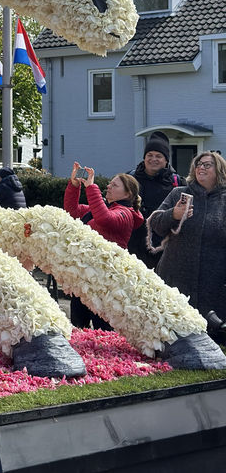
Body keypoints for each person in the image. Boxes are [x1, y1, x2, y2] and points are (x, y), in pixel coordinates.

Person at [148, 151, 226, 328]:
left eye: (207, 164)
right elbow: (156, 224)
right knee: (172, 334)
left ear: (219, 170)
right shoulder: (178, 194)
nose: (201, 168)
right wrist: (173, 215)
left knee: (212, 338)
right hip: (176, 278)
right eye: (198, 164)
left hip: (213, 283)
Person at [64, 161, 143, 329]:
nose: (109, 186)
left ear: (127, 194)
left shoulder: (126, 214)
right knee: (78, 326)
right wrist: (74, 185)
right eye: (109, 183)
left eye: (114, 185)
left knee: (104, 329)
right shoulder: (103, 208)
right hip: (85, 277)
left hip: (106, 284)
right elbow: (72, 211)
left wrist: (92, 188)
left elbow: (105, 219)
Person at [127, 131, 185, 267]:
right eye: (150, 155)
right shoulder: (130, 179)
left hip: (164, 249)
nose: (153, 159)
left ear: (166, 160)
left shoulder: (177, 183)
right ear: (144, 157)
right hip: (132, 246)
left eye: (158, 156)